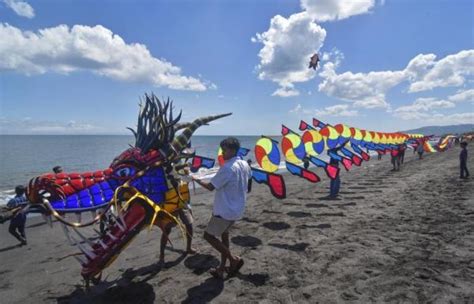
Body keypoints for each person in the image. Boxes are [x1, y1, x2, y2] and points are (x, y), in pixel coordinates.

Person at [192, 137, 251, 279]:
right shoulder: (244, 164)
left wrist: (195, 179)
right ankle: (221, 268)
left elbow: (211, 187)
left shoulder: (227, 168)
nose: (222, 153)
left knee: (209, 236)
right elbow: (248, 186)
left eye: (224, 150)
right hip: (237, 208)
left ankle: (233, 259)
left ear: (231, 150)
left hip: (225, 210)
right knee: (224, 235)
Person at [159, 163, 197, 265]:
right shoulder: (163, 164)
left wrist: (187, 170)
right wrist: (183, 165)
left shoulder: (180, 162)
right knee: (167, 229)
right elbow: (171, 169)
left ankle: (188, 247)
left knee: (189, 224)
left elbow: (186, 178)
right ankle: (161, 255)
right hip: (171, 202)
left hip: (182, 202)